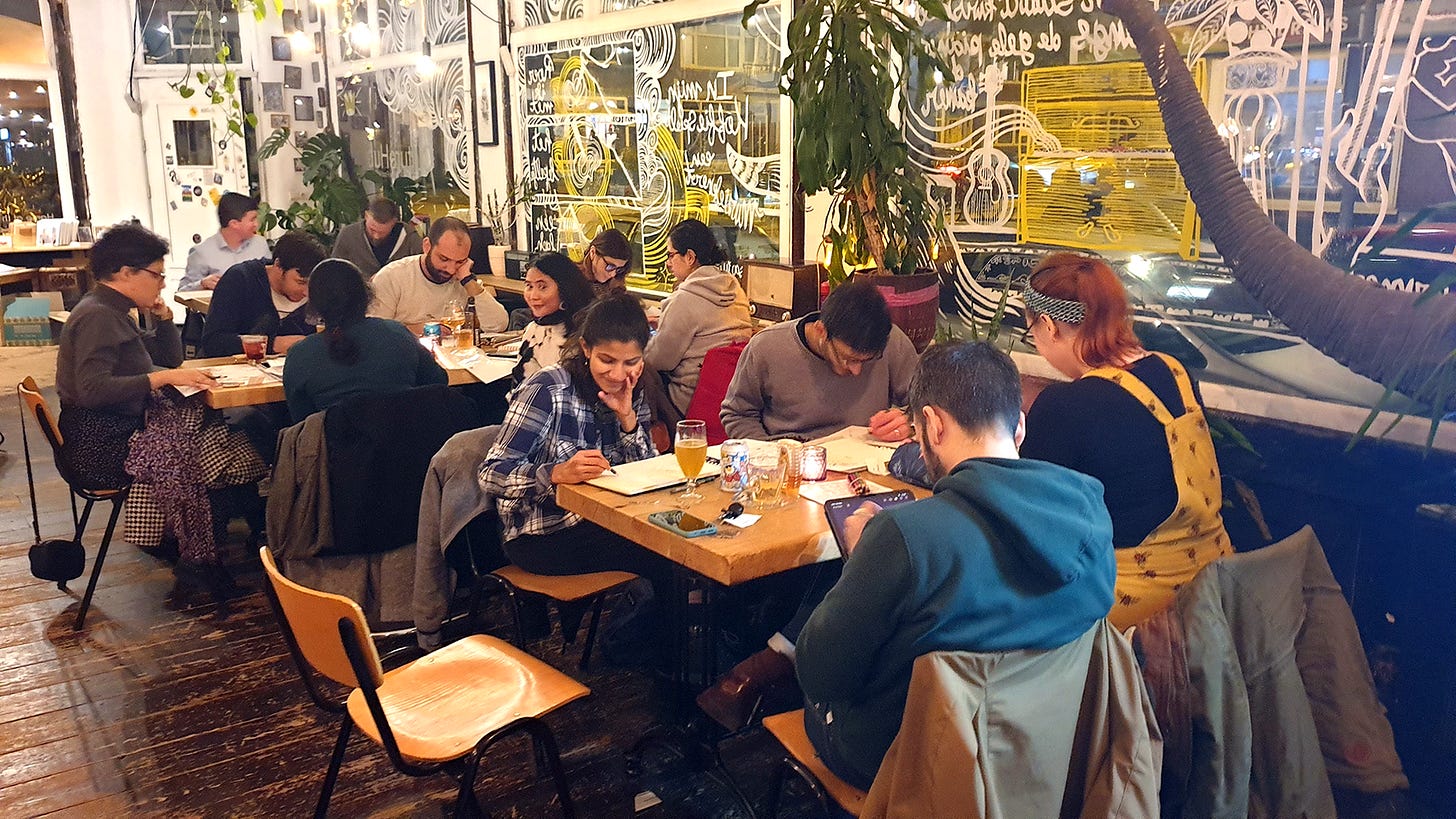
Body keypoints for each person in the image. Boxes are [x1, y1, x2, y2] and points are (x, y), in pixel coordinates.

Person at [722, 343, 1117, 789]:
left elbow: (820, 673)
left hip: (909, 762)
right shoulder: (1089, 507)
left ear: (932, 424)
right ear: (1020, 427)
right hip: (1046, 751)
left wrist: (861, 560)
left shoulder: (905, 536)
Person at [1017, 252, 1233, 628]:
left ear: (1050, 326)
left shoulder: (1065, 407)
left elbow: (1034, 530)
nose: (1036, 343)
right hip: (1216, 594)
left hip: (1136, 615)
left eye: (1031, 332)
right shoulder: (1173, 371)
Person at [478, 292, 674, 654]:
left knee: (676, 551)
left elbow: (648, 474)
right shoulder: (548, 388)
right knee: (669, 558)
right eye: (606, 360)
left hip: (607, 522)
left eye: (631, 361)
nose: (618, 374)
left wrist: (629, 421)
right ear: (585, 349)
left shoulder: (633, 388)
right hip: (541, 533)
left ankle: (654, 653)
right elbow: (491, 473)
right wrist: (554, 474)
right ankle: (646, 659)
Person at [55, 225, 218, 489]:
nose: (163, 283)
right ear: (126, 273)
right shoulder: (99, 315)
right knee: (226, 450)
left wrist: (164, 318)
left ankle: (196, 524)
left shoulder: (111, 308)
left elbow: (168, 358)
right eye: (157, 275)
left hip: (116, 430)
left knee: (222, 441)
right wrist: (160, 378)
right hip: (101, 445)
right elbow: (92, 390)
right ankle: (201, 525)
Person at [720, 279, 920, 442]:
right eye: (849, 359)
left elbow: (925, 407)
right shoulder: (767, 348)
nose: (857, 371)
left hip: (868, 462)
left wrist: (908, 423)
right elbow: (737, 414)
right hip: (791, 464)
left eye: (867, 361)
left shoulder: (892, 341)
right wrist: (768, 455)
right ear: (821, 331)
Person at [282, 259, 448, 421]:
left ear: (315, 303)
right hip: (403, 443)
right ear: (366, 295)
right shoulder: (397, 334)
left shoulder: (300, 355)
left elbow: (301, 420)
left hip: (337, 446)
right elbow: (438, 381)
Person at [643, 218, 752, 421]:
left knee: (639, 372)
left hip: (690, 402)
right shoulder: (734, 288)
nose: (667, 263)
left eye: (671, 255)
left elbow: (658, 359)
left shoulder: (685, 298)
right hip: (733, 396)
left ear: (690, 257)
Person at [368, 216, 508, 334]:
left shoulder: (462, 279)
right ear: (427, 246)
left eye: (460, 261)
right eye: (444, 259)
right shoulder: (391, 277)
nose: (451, 269)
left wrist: (468, 280)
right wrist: (422, 328)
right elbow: (375, 333)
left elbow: (498, 326)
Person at [200, 231, 327, 358]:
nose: (306, 292)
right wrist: (273, 344)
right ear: (278, 265)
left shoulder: (318, 292)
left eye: (311, 284)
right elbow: (213, 342)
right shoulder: (241, 279)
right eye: (300, 282)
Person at [513, 251, 596, 383]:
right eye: (529, 286)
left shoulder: (583, 335)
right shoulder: (533, 329)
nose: (533, 296)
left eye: (542, 287)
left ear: (565, 290)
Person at [179, 192, 270, 292]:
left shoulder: (260, 244)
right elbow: (182, 292)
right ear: (234, 224)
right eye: (252, 220)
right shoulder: (202, 252)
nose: (256, 224)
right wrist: (202, 284)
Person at [330, 197, 422, 278]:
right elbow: (335, 270)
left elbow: (421, 269)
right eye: (372, 229)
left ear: (394, 223)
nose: (376, 236)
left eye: (383, 232)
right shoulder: (348, 235)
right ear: (366, 216)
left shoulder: (409, 238)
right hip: (357, 293)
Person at [578, 227, 633, 297]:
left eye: (619, 269)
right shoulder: (570, 280)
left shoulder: (616, 288)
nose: (613, 274)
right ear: (593, 252)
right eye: (610, 266)